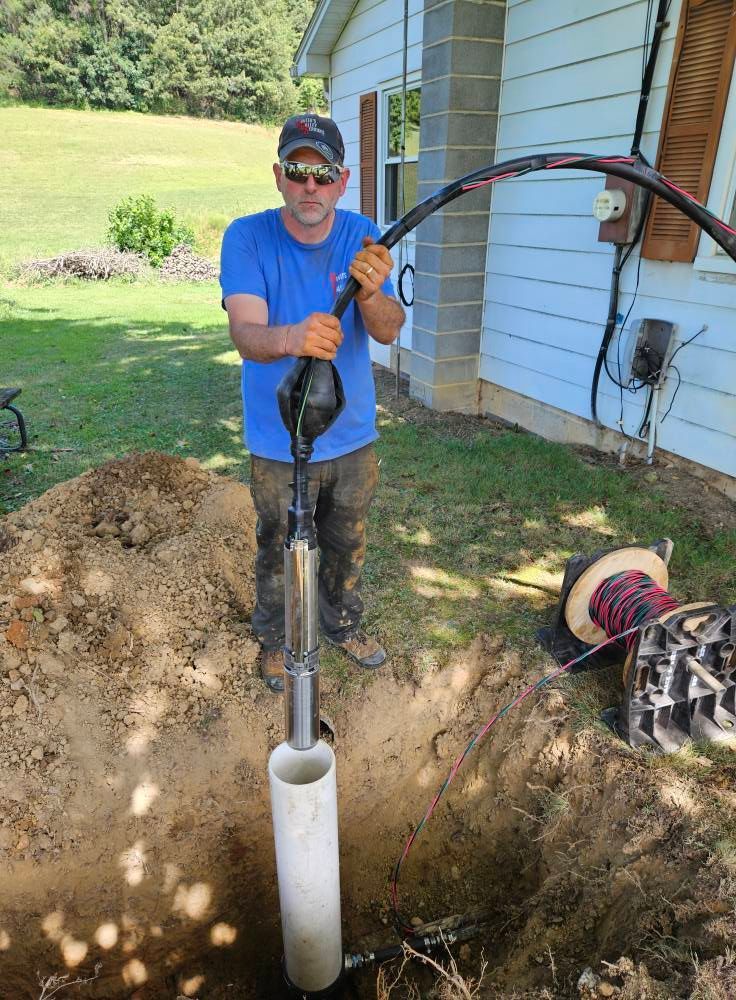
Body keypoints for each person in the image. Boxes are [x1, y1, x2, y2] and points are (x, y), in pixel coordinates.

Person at [219, 114, 405, 692]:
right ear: (279, 175)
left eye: (322, 175)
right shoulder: (247, 237)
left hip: (350, 436)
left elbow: (390, 329)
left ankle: (342, 624)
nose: (310, 187)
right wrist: (292, 337)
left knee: (346, 542)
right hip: (278, 438)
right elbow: (246, 335)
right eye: (298, 172)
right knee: (276, 542)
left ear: (342, 180)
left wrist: (371, 293)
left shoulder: (362, 234)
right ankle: (274, 640)